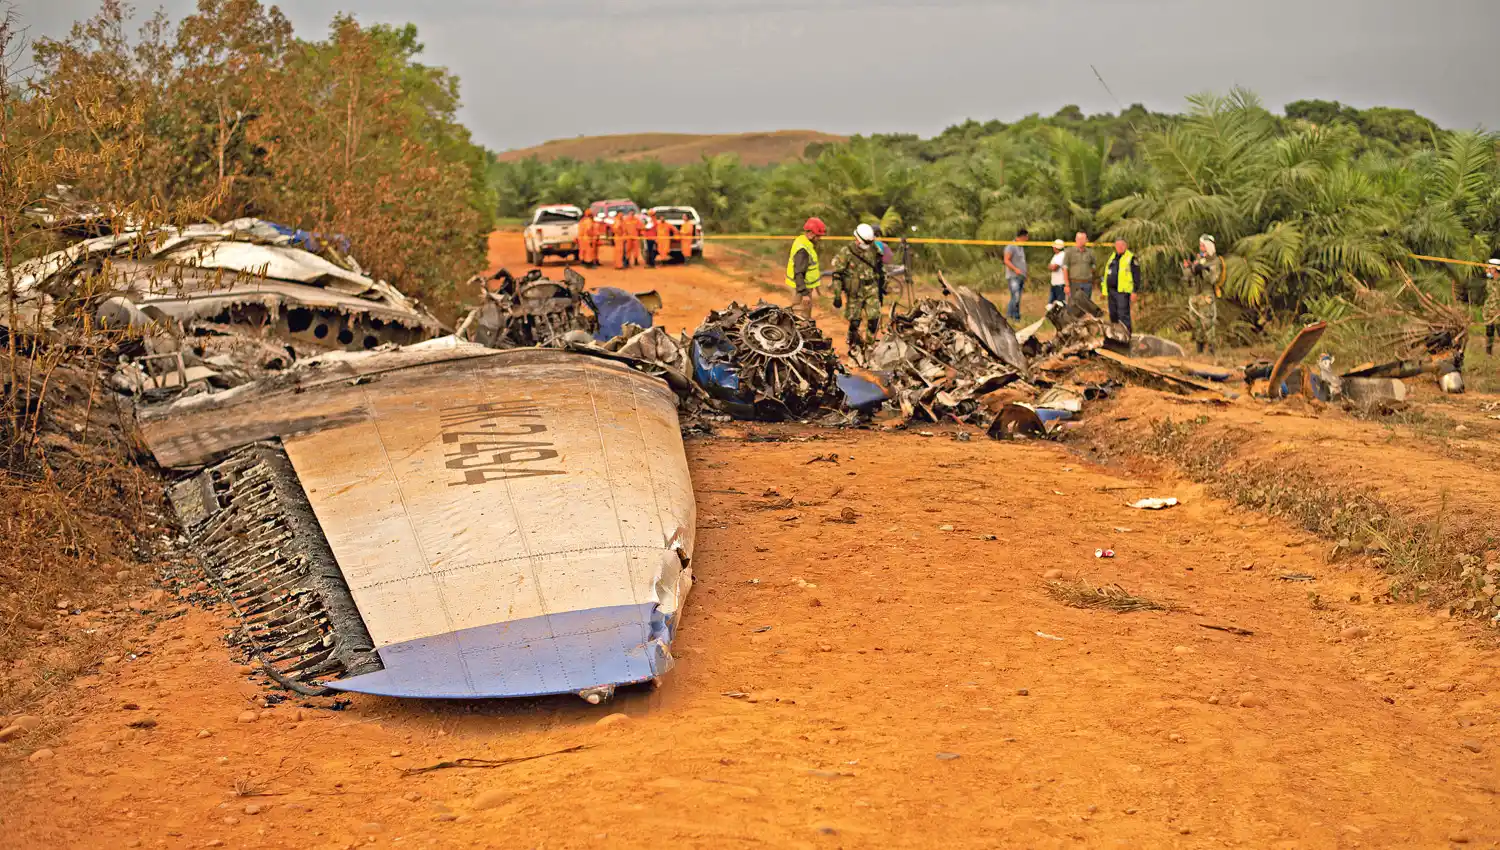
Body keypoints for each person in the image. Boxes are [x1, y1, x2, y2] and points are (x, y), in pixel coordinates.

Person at [829, 223, 886, 355]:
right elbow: (837, 274)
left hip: (871, 288)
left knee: (874, 318)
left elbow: (881, 269)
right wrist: (837, 295)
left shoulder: (874, 250)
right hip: (855, 291)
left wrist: (882, 287)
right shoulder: (846, 252)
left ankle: (870, 345)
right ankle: (853, 346)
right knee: (854, 321)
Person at [1184, 234, 1225, 353]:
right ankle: (1199, 350)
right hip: (1195, 295)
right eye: (1200, 245)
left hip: (1206, 296)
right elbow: (1189, 277)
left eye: (1202, 245)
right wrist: (1189, 268)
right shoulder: (1198, 259)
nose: (1200, 247)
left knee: (1208, 323)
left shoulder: (1215, 261)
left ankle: (1212, 349)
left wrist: (1203, 270)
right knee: (1195, 323)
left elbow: (1213, 279)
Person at [786, 217, 825, 319]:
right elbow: (798, 273)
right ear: (811, 233)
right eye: (818, 236)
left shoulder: (804, 241)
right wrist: (804, 294)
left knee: (803, 316)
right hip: (800, 289)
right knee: (800, 318)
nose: (819, 238)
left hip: (802, 287)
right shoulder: (803, 250)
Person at [1102, 238, 1139, 334]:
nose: (1119, 247)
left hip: (1123, 292)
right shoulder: (1113, 257)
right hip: (1112, 291)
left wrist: (1135, 291)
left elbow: (1137, 275)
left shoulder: (1131, 258)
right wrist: (1105, 290)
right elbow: (1107, 273)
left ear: (1125, 246)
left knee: (1123, 316)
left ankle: (1127, 335)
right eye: (1117, 245)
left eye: (1121, 245)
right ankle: (1116, 335)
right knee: (1113, 315)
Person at [1063, 231, 1097, 307]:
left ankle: (1085, 319)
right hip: (1074, 284)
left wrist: (1092, 280)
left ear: (1086, 240)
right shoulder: (1069, 252)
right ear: (1075, 239)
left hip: (1087, 284)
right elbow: (1065, 269)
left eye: (1082, 239)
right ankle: (1072, 319)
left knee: (1086, 306)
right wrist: (1067, 285)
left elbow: (1094, 267)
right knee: (1073, 305)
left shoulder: (1091, 253)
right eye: (1078, 238)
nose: (1080, 241)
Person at [1003, 229, 1029, 321]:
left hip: (1021, 276)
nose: (1027, 239)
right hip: (1013, 276)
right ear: (1022, 236)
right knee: (1016, 296)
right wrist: (1015, 269)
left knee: (1016, 297)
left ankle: (1012, 316)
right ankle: (1013, 316)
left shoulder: (1021, 247)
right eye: (1026, 237)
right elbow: (1006, 260)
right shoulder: (1011, 246)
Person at [1485, 259, 1500, 355]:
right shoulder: (1489, 281)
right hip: (1489, 312)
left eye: (1490, 268)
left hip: (1498, 312)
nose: (1487, 270)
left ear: (1495, 269)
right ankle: (1488, 353)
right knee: (1489, 332)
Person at [1047, 238, 1068, 305]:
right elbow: (1050, 266)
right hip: (1054, 282)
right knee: (1052, 303)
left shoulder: (1062, 255)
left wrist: (1051, 266)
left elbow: (1054, 268)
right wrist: (1051, 266)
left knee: (1060, 303)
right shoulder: (1056, 255)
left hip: (1060, 283)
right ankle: (1052, 315)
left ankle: (1063, 315)